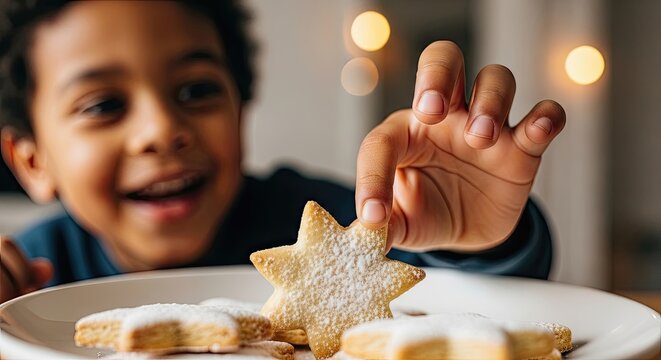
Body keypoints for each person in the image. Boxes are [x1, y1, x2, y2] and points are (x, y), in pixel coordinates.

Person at [0, 0, 565, 304]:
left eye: (196, 90)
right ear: (32, 160)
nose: (161, 130)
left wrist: (474, 240)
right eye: (102, 106)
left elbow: (480, 311)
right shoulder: (30, 282)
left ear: (242, 108)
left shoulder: (338, 225)